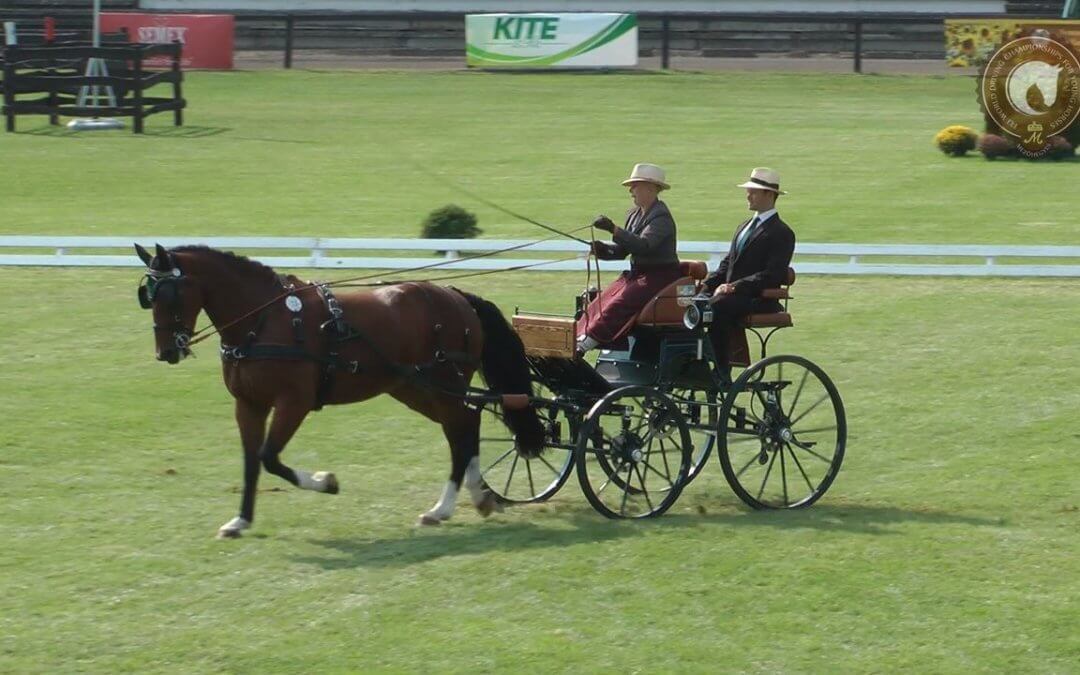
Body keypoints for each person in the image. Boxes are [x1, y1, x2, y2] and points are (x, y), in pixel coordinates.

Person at [576, 163, 681, 356]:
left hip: (660, 276)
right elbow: (623, 251)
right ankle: (579, 334)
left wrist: (613, 230)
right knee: (603, 300)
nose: (631, 191)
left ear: (650, 188)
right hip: (638, 275)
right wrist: (602, 249)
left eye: (635, 186)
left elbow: (644, 245)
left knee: (621, 302)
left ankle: (586, 343)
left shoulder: (661, 218)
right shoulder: (633, 215)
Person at [702, 167, 796, 380]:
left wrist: (735, 286)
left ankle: (721, 369)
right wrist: (706, 286)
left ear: (769, 195)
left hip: (757, 298)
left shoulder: (781, 233)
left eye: (754, 191)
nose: (748, 195)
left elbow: (772, 274)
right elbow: (728, 264)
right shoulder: (744, 226)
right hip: (730, 295)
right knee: (694, 302)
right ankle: (695, 360)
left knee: (717, 306)